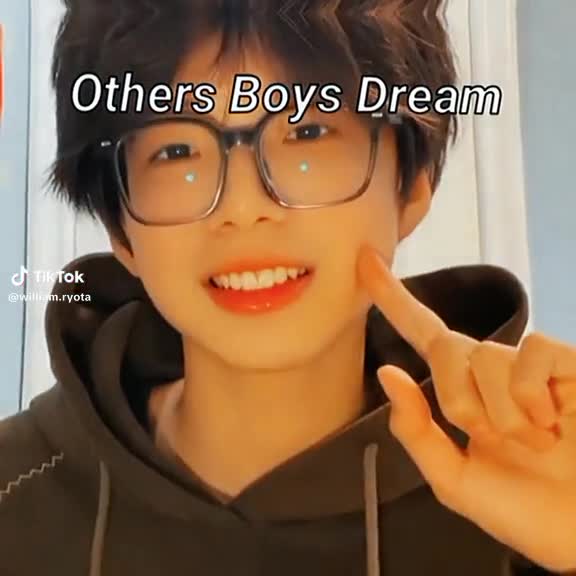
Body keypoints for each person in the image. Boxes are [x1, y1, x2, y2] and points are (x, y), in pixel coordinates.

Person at [1, 1, 575, 575]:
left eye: (307, 132)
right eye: (176, 151)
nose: (243, 207)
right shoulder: (14, 494)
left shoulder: (538, 497)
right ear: (120, 226)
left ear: (411, 183)